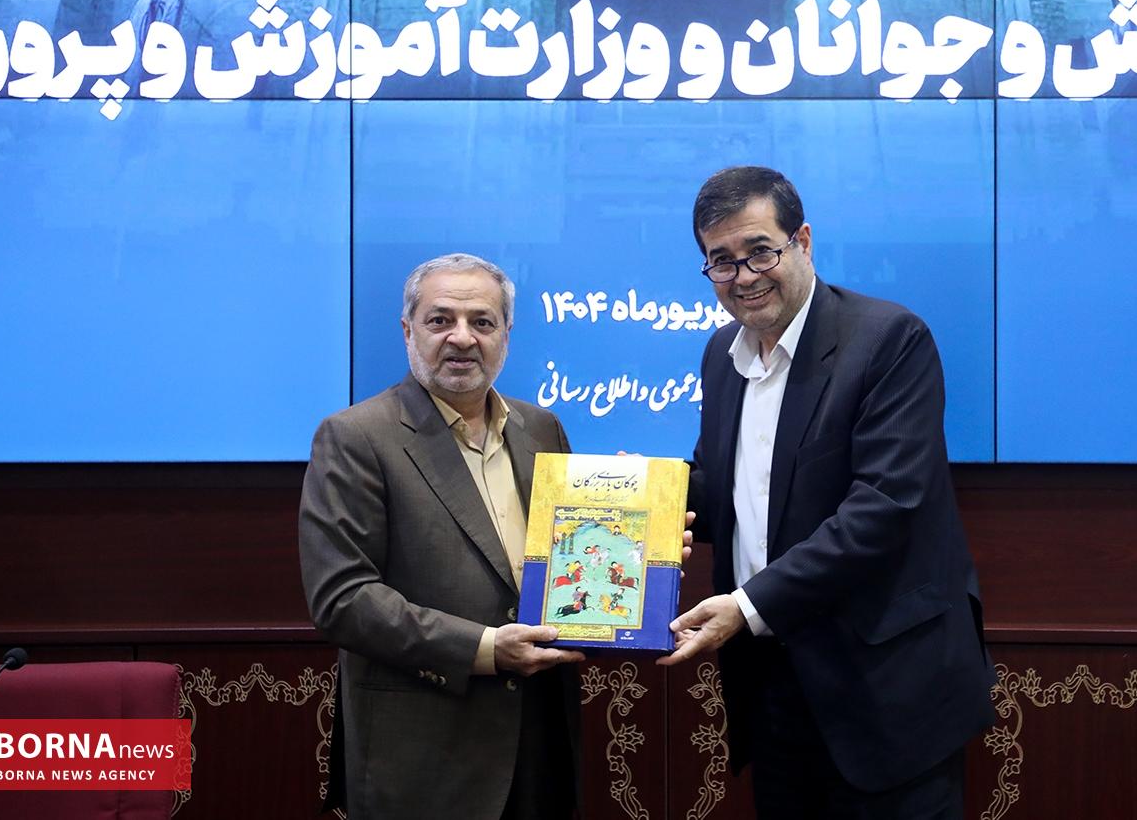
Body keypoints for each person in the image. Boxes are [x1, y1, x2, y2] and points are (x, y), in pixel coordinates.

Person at [660, 166, 997, 820]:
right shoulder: (722, 354)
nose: (743, 276)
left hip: (886, 690)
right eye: (721, 261)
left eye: (760, 251)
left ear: (803, 241)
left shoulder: (888, 340)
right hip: (773, 686)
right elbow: (724, 488)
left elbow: (884, 507)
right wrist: (645, 496)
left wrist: (747, 606)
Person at [299, 254, 583, 820]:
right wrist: (486, 649)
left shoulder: (541, 428)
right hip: (425, 753)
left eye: (483, 322)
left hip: (540, 742)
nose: (463, 338)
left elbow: (571, 561)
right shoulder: (356, 437)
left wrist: (636, 551)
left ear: (506, 335)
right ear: (408, 331)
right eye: (440, 320)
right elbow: (343, 599)